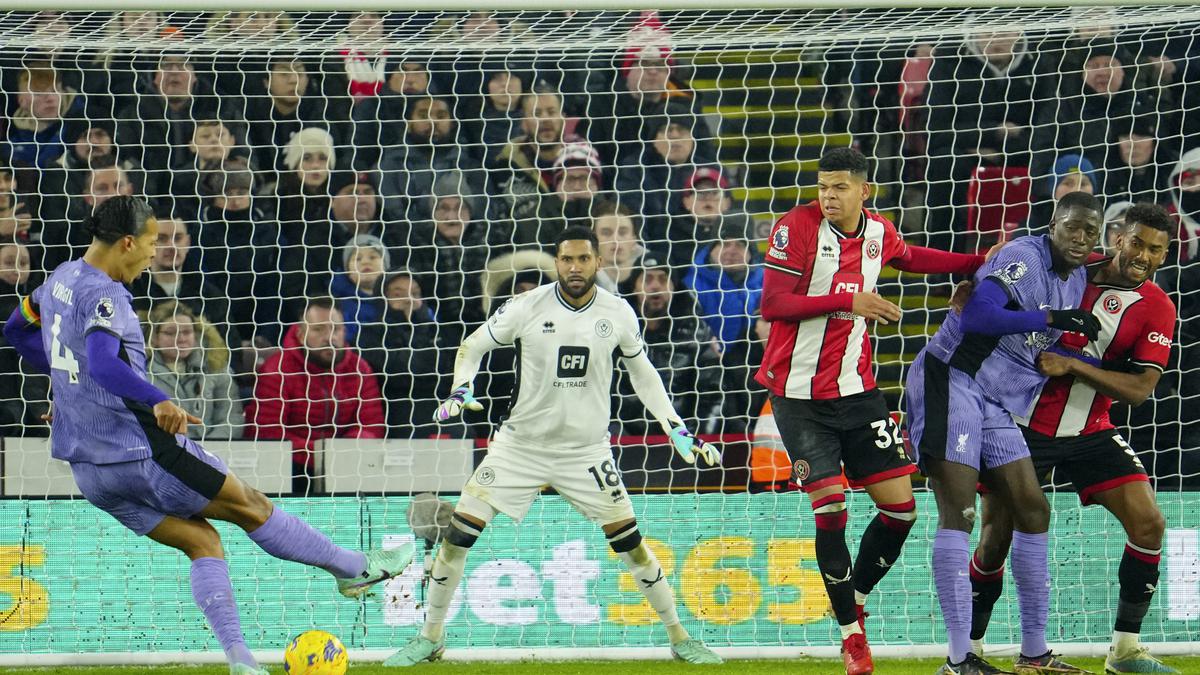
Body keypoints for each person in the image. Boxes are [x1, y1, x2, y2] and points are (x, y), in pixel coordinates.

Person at [0, 196, 412, 675]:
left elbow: (15, 330)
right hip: (140, 453)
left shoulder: (60, 279)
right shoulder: (106, 295)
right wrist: (157, 399)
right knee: (251, 505)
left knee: (203, 543)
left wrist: (67, 387)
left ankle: (241, 661)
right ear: (128, 242)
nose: (154, 253)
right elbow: (102, 362)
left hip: (89, 473)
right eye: (152, 242)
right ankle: (353, 569)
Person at [384, 227, 722, 667]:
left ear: (598, 262)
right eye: (566, 260)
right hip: (519, 447)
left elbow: (643, 374)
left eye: (584, 259)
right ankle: (430, 638)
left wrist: (675, 427)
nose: (575, 268)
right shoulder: (527, 305)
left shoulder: (618, 312)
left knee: (631, 544)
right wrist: (460, 389)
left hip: (586, 452)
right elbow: (473, 345)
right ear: (556, 262)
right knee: (457, 537)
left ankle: (680, 638)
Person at [756, 147, 996, 675]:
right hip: (798, 397)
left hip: (857, 392)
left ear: (865, 190)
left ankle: (855, 598)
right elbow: (772, 304)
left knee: (901, 509)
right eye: (823, 186)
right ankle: (850, 636)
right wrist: (849, 302)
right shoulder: (795, 227)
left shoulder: (879, 231)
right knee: (832, 511)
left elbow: (911, 258)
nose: (828, 196)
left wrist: (979, 263)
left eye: (840, 187)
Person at [968, 203, 1179, 674]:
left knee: (1149, 524)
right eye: (1138, 243)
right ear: (1118, 238)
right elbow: (1004, 282)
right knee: (994, 538)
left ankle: (1124, 652)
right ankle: (969, 653)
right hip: (1020, 424)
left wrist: (1073, 364)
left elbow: (1141, 389)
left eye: (1157, 250)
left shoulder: (1158, 308)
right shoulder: (1070, 267)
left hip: (1090, 430)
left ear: (1166, 256)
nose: (1144, 256)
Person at [905, 191, 1104, 675]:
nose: (1080, 239)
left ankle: (1034, 654)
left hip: (996, 399)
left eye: (1090, 232)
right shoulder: (1022, 256)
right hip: (951, 377)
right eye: (1072, 227)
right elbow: (976, 314)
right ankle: (957, 660)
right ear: (1053, 223)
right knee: (961, 512)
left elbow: (1114, 261)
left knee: (1032, 509)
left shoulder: (1078, 273)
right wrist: (1052, 318)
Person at [246, 296, 386, 494]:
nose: (330, 338)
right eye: (319, 329)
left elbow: (371, 426)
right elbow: (268, 433)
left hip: (347, 463)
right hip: (291, 467)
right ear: (302, 334)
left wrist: (342, 451)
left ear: (344, 331)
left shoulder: (360, 368)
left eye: (335, 329)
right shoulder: (277, 369)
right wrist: (322, 454)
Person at [145, 300, 244, 441]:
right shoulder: (140, 373)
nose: (181, 339)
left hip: (213, 451)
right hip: (163, 451)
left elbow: (232, 418)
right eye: (170, 333)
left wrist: (208, 447)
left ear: (196, 335)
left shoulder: (216, 367)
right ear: (154, 338)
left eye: (187, 332)